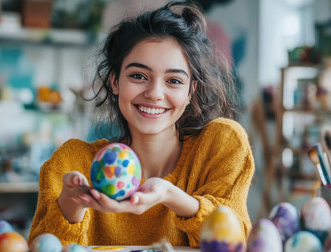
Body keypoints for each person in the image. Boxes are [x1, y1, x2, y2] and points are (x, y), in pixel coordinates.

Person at [28, 1, 254, 248]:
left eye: (174, 80)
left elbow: (236, 241)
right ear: (115, 81)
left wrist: (171, 196)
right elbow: (40, 246)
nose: (155, 93)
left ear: (191, 91)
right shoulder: (75, 163)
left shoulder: (220, 145)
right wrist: (72, 204)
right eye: (138, 76)